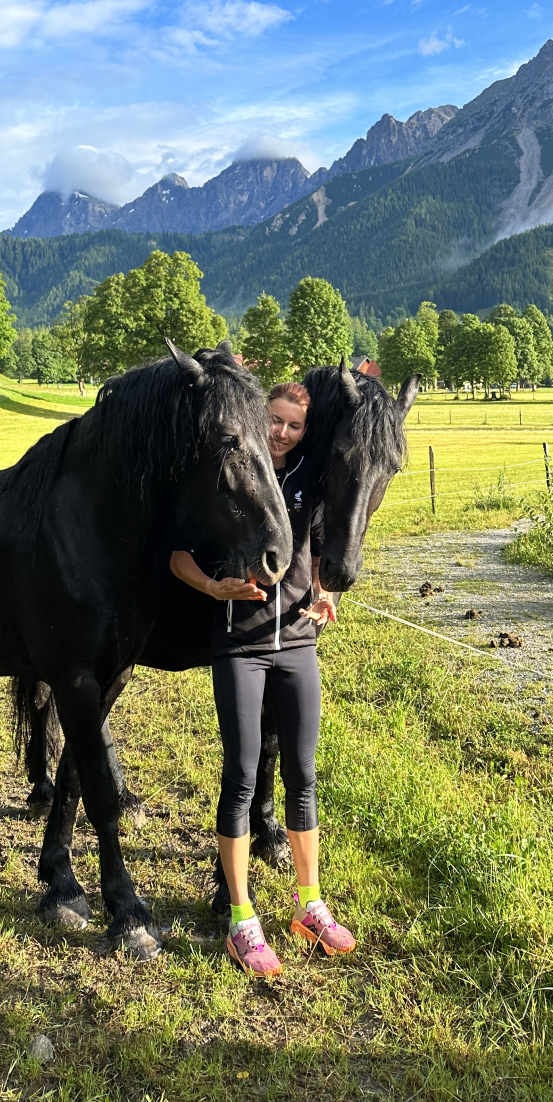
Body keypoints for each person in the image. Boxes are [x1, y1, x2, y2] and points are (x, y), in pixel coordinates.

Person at [169, 380, 355, 977]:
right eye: (274, 420)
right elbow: (178, 555)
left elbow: (320, 555)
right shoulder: (230, 476)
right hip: (241, 648)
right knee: (242, 776)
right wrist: (213, 587)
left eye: (293, 425)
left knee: (302, 775)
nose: (282, 433)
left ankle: (309, 905)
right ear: (259, 418)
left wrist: (323, 594)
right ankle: (242, 919)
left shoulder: (308, 479)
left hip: (299, 645)